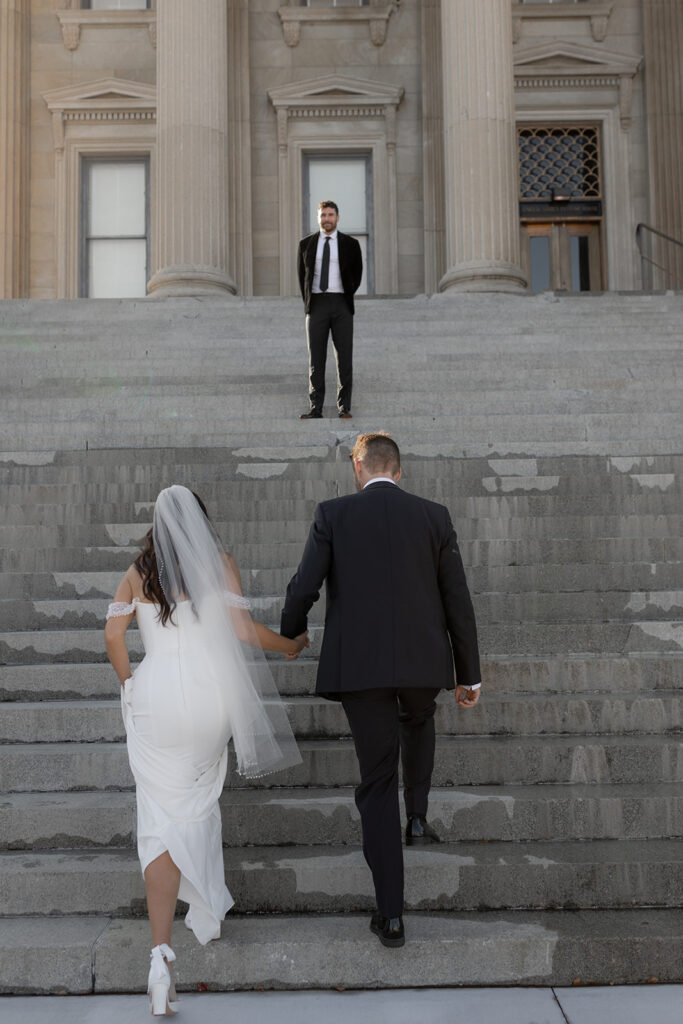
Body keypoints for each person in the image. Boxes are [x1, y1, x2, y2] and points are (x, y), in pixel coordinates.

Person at [104, 485, 306, 1015]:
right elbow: (243, 631)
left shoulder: (137, 571)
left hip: (157, 703)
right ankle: (204, 906)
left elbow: (112, 636)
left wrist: (129, 684)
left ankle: (159, 959)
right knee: (195, 803)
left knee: (159, 820)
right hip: (211, 701)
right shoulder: (219, 563)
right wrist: (291, 645)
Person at [280, 433, 481, 949]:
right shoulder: (433, 516)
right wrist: (468, 673)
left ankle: (390, 914)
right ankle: (416, 814)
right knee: (418, 718)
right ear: (399, 469)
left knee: (375, 780)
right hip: (422, 663)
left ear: (358, 467)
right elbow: (456, 597)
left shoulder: (333, 514)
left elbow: (305, 583)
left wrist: (291, 633)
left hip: (361, 667)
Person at [298, 199, 363, 420]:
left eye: (330, 215)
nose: (327, 219)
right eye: (323, 215)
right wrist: (309, 302)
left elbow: (357, 273)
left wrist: (345, 293)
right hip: (317, 304)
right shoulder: (305, 245)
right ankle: (315, 407)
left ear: (337, 217)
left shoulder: (350, 244)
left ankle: (344, 407)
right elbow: (302, 277)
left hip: (341, 304)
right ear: (318, 218)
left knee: (344, 357)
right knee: (316, 359)